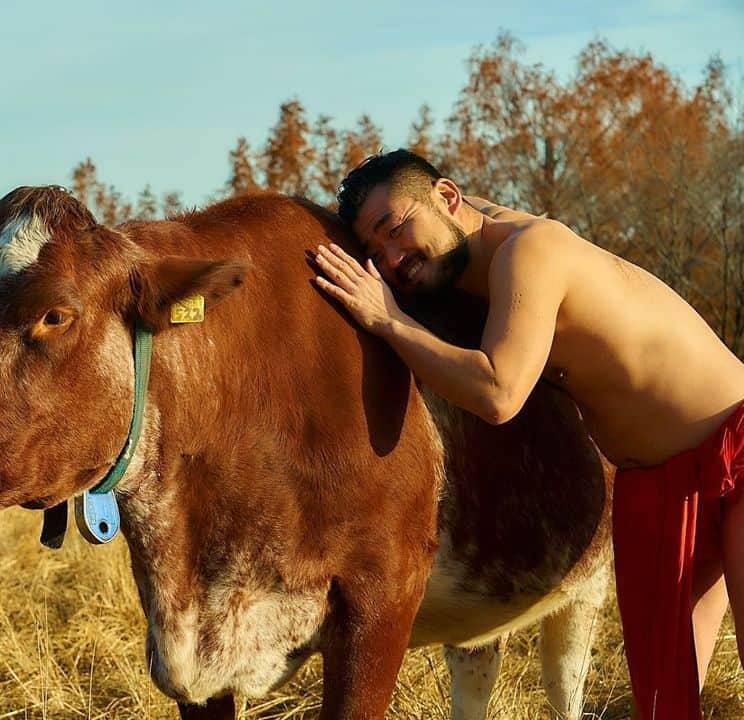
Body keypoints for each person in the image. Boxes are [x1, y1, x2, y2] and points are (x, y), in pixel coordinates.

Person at [312, 149, 744, 719]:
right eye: (374, 252)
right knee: (664, 704)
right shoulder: (463, 239)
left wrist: (388, 319)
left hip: (734, 445)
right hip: (656, 485)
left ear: (447, 196)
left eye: (396, 229)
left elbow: (498, 393)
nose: (392, 260)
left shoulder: (530, 251)